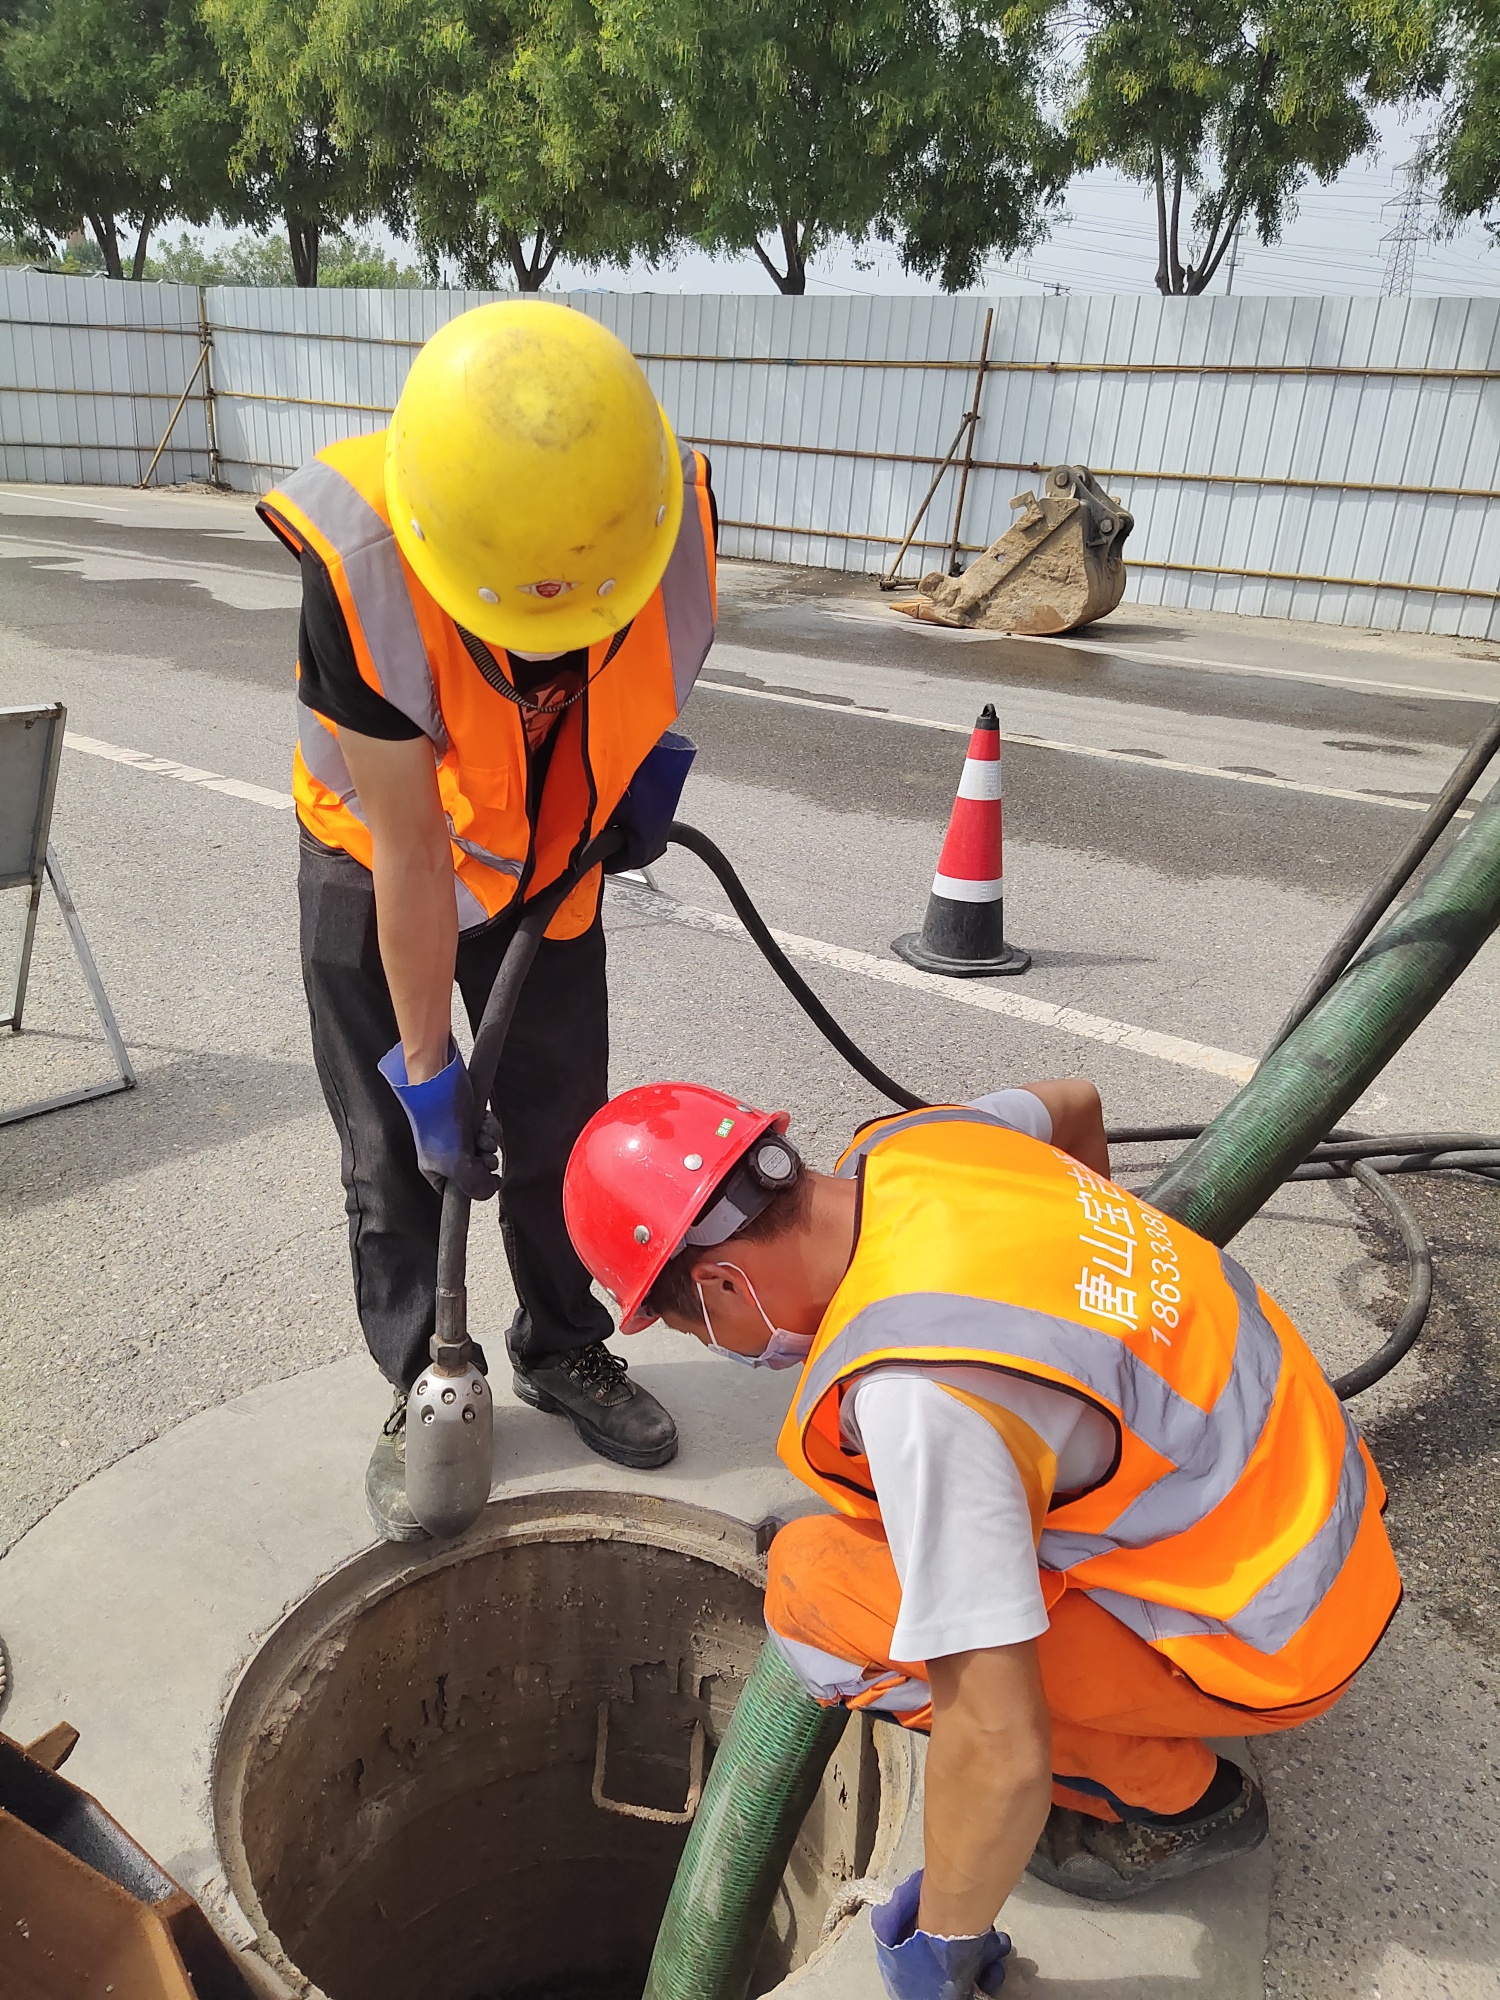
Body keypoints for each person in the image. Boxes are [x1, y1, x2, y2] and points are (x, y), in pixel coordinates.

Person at [562, 1078, 1401, 1997]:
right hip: (1311, 1505)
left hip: (1274, 1633)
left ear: (723, 1280)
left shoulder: (924, 1397)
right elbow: (1079, 1104)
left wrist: (941, 1947)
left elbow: (998, 1748)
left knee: (814, 1594)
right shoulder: (922, 1145)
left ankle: (1178, 1801)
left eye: (696, 1325)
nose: (722, 1346)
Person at [257, 301, 718, 1541]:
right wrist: (427, 1073)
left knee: (567, 1126)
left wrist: (639, 780)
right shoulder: (363, 558)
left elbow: (652, 673)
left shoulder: (645, 508)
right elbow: (411, 850)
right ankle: (425, 1376)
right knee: (398, 1156)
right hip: (375, 861)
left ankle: (562, 1344)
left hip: (551, 856)